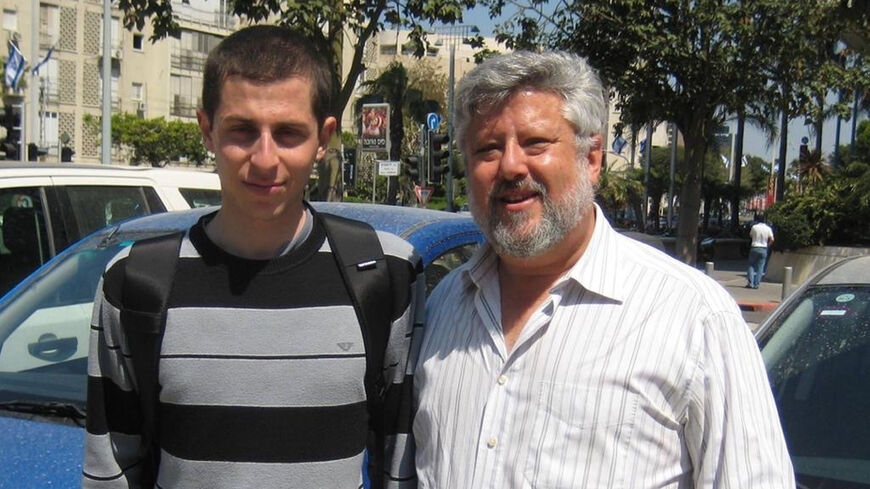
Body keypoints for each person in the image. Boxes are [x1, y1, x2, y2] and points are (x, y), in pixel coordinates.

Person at [414, 51, 794, 488]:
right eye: (488, 149)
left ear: (592, 158)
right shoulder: (443, 309)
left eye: (535, 143)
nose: (511, 165)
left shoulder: (695, 317)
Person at [83, 25, 421, 488]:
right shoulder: (134, 283)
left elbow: (400, 469)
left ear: (323, 138)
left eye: (288, 133)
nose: (264, 159)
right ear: (207, 130)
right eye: (242, 131)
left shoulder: (387, 274)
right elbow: (110, 473)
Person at [748, 214, 775, 289]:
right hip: (763, 248)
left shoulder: (754, 227)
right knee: (760, 267)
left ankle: (750, 283)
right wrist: (768, 245)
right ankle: (757, 284)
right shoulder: (768, 228)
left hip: (754, 246)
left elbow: (750, 235)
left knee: (751, 265)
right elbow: (772, 239)